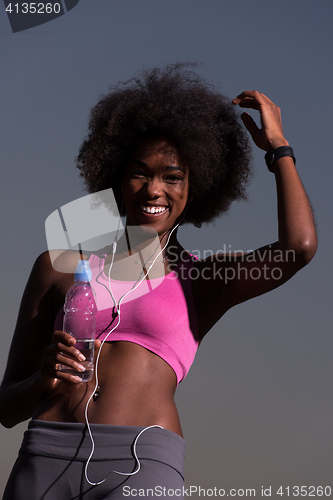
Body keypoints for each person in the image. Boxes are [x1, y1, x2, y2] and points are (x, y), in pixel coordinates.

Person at [0, 65, 317, 499]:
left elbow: (298, 247)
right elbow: (5, 408)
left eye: (172, 176)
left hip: (142, 463)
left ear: (197, 186)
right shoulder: (57, 267)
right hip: (44, 458)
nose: (154, 189)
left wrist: (278, 148)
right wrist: (41, 380)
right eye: (140, 173)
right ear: (116, 178)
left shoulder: (204, 279)